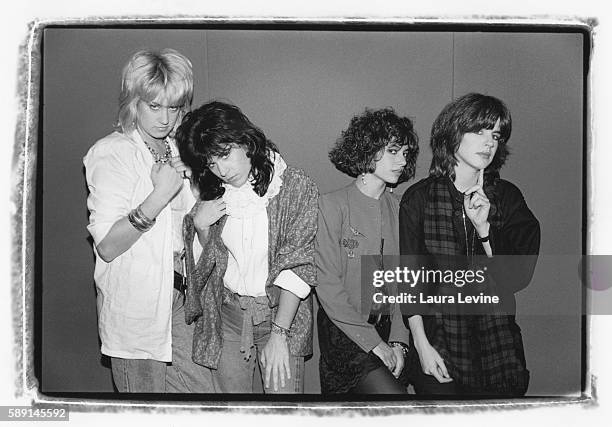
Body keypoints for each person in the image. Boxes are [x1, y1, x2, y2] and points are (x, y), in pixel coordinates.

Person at [83, 48, 214, 393]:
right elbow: (109, 246)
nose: (165, 118)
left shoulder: (179, 149)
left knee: (200, 400)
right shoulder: (112, 152)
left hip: (183, 299)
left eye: (174, 107)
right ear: (134, 102)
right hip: (138, 305)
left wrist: (196, 185)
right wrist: (159, 196)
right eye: (154, 106)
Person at [399, 93, 540, 396]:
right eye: (479, 131)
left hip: (498, 350)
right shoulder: (419, 199)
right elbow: (410, 283)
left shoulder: (507, 198)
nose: (489, 142)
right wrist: (422, 347)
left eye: (496, 134)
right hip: (439, 344)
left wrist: (485, 229)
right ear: (453, 133)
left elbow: (517, 278)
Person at [176, 101, 318, 393]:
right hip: (228, 317)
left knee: (284, 416)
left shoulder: (293, 187)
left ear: (245, 140)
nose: (221, 170)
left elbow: (299, 264)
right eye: (211, 162)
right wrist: (201, 229)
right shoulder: (213, 194)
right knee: (233, 415)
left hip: (281, 315)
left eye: (225, 155)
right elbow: (207, 270)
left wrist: (280, 333)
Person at [315, 107, 419, 394]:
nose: (402, 161)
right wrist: (375, 344)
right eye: (393, 151)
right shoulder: (332, 206)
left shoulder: (399, 209)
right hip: (345, 335)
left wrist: (399, 340)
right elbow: (327, 289)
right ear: (368, 150)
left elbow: (401, 283)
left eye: (405, 153)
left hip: (388, 330)